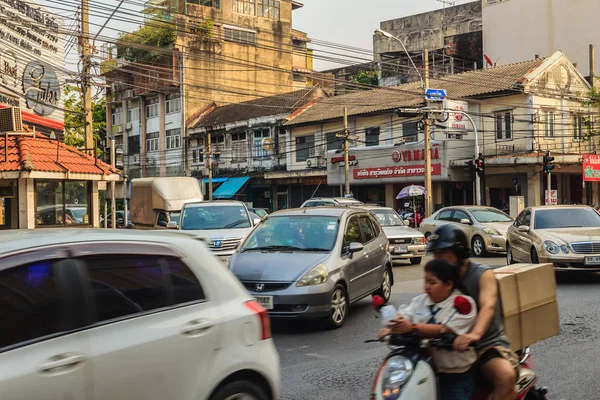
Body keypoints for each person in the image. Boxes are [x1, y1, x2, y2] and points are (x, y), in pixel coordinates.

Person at [426, 224, 518, 400]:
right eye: (435, 255)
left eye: (443, 254)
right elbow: (423, 305)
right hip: (446, 344)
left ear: (459, 253)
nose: (437, 260)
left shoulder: (482, 274)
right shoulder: (439, 277)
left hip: (484, 344)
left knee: (505, 376)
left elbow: (488, 305)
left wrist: (475, 334)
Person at [379, 259, 478, 400]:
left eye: (432, 283)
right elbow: (405, 317)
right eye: (425, 281)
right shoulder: (420, 301)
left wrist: (411, 328)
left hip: (455, 373)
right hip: (424, 367)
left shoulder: (463, 304)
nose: (426, 287)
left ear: (449, 284)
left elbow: (445, 329)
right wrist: (392, 327)